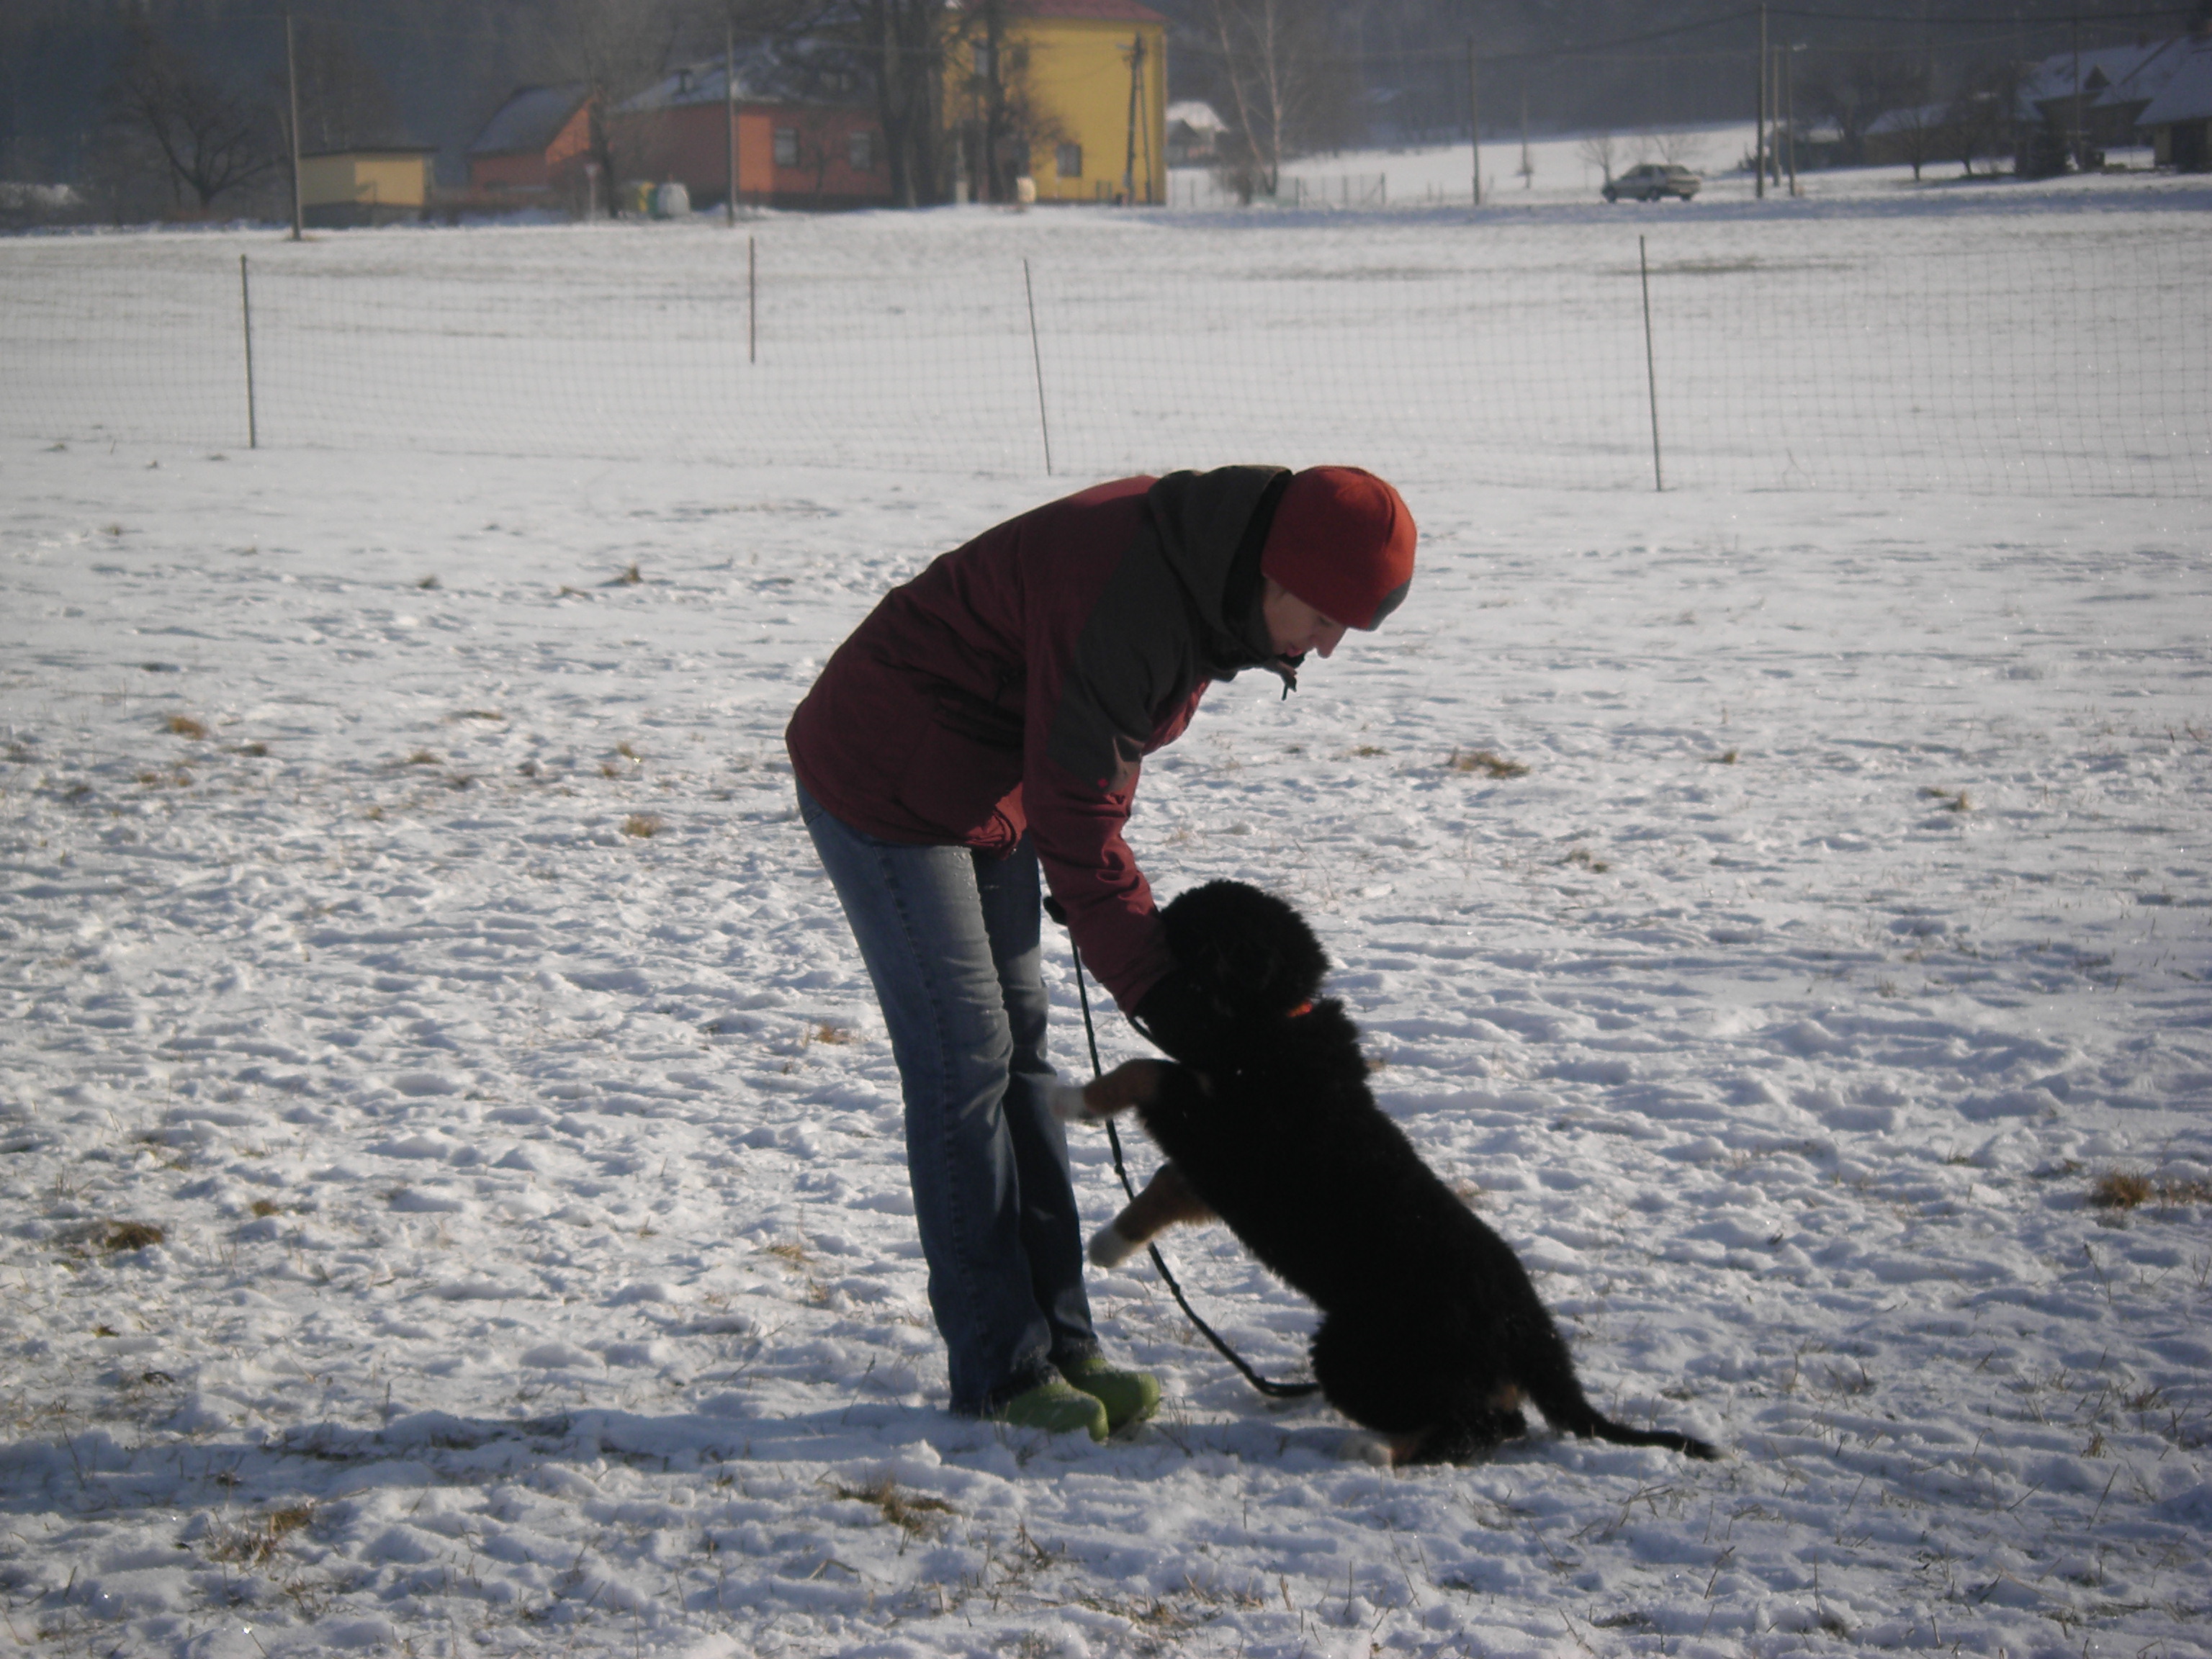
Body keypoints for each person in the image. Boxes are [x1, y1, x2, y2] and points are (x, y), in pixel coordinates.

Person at [785, 464, 1417, 1440]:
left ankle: (1064, 1346)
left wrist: (1129, 936)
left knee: (1023, 1053)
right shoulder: (1137, 589)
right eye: (1330, 620)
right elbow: (1082, 801)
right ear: (1280, 576)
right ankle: (1000, 1370)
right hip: (887, 775)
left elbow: (1085, 769)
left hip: (991, 785)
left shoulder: (1210, 577)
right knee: (967, 1059)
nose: (1328, 649)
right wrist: (1163, 991)